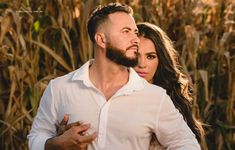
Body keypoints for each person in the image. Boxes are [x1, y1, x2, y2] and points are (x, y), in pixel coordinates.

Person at [28, 2, 201, 150]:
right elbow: (36, 136)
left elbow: (186, 143)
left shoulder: (154, 97)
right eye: (126, 31)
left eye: (135, 32)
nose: (135, 39)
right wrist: (56, 144)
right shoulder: (59, 88)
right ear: (101, 40)